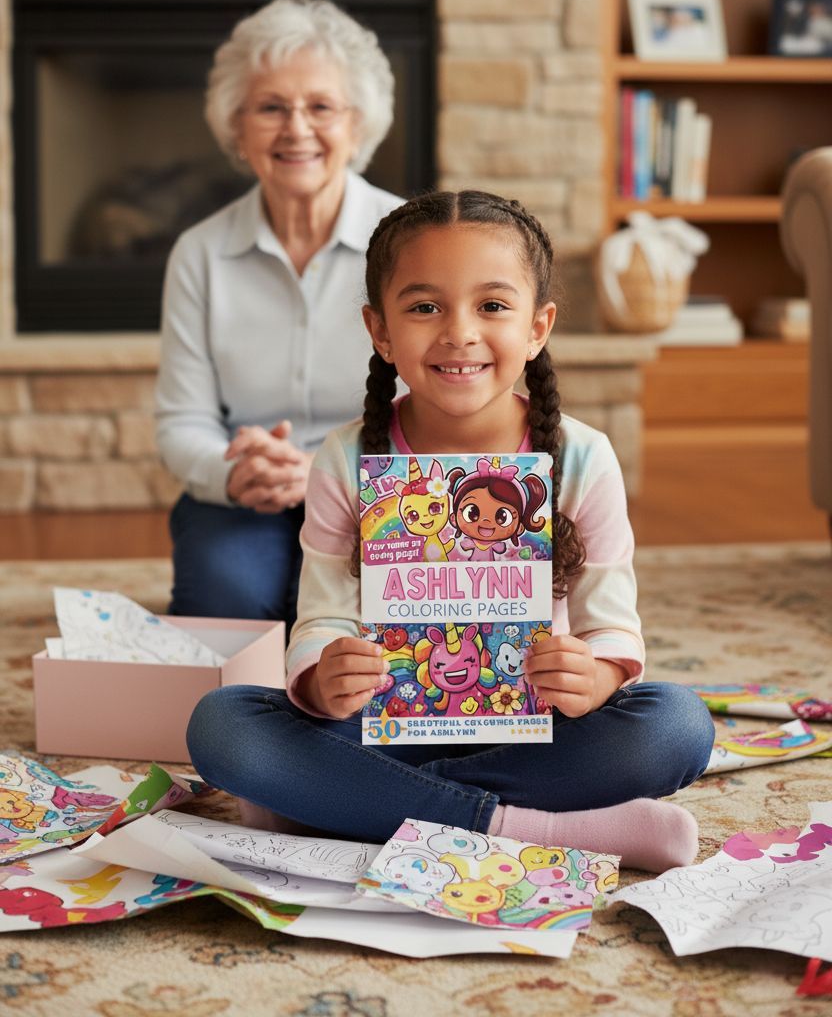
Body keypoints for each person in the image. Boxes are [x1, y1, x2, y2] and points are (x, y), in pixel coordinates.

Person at [187, 191, 715, 872]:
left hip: (535, 728)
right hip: (382, 724)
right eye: (424, 307)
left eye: (492, 305)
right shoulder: (345, 458)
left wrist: (597, 674)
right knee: (224, 727)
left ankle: (339, 806)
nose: (459, 332)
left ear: (538, 326)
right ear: (380, 330)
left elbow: (611, 625)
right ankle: (530, 826)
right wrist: (322, 679)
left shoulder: (583, 457)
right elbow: (321, 615)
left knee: (676, 725)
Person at [155, 0, 401, 628]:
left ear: (357, 125)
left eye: (320, 106)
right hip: (247, 490)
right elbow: (182, 420)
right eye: (271, 107)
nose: (296, 129)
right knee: (228, 611)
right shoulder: (200, 253)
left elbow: (439, 404)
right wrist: (233, 473)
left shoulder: (409, 241)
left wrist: (325, 472)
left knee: (352, 621)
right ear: (237, 128)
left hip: (381, 488)